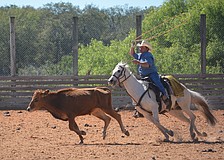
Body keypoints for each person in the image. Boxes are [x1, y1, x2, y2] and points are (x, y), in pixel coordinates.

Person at [129, 40, 170, 109]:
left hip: (151, 74)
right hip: (143, 76)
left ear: (146, 48)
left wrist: (138, 62)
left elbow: (148, 65)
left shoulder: (148, 55)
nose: (140, 48)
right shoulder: (140, 55)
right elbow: (132, 53)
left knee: (157, 82)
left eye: (142, 47)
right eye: (140, 47)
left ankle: (165, 96)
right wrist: (132, 46)